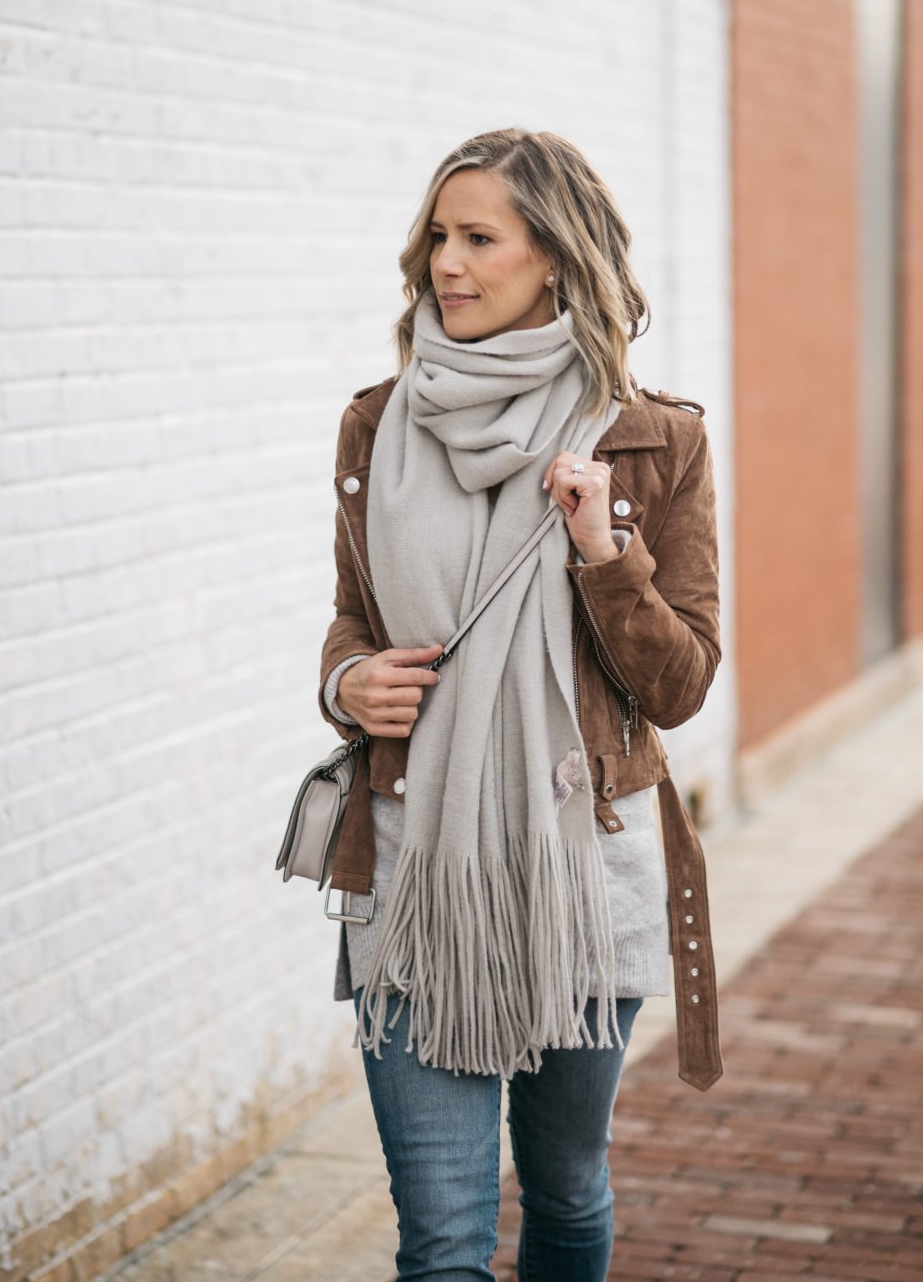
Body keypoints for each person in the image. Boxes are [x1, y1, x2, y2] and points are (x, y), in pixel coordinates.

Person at [317, 127, 723, 1282]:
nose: (446, 261)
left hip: (582, 879)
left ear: (552, 257)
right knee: (442, 1245)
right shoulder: (375, 426)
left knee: (565, 1191)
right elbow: (351, 618)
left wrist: (603, 550)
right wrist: (349, 680)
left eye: (478, 237)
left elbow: (680, 684)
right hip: (416, 868)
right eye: (437, 236)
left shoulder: (654, 441)